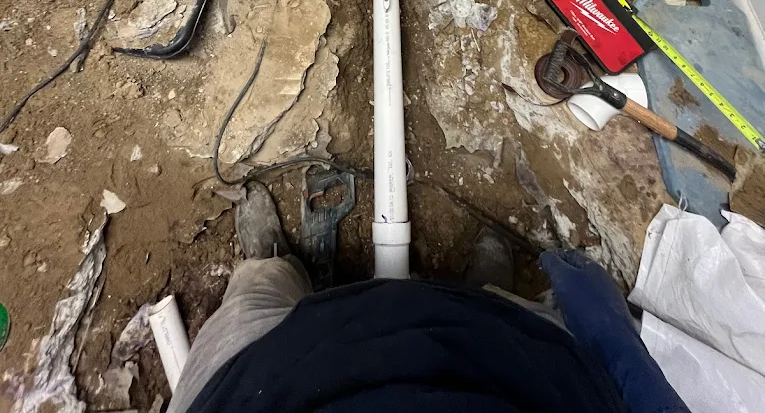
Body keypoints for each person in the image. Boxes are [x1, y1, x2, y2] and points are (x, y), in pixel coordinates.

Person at [169, 184, 689, 413]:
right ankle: (485, 294)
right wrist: (614, 344)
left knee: (253, 293)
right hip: (517, 372)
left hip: (262, 380)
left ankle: (274, 265)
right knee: (508, 317)